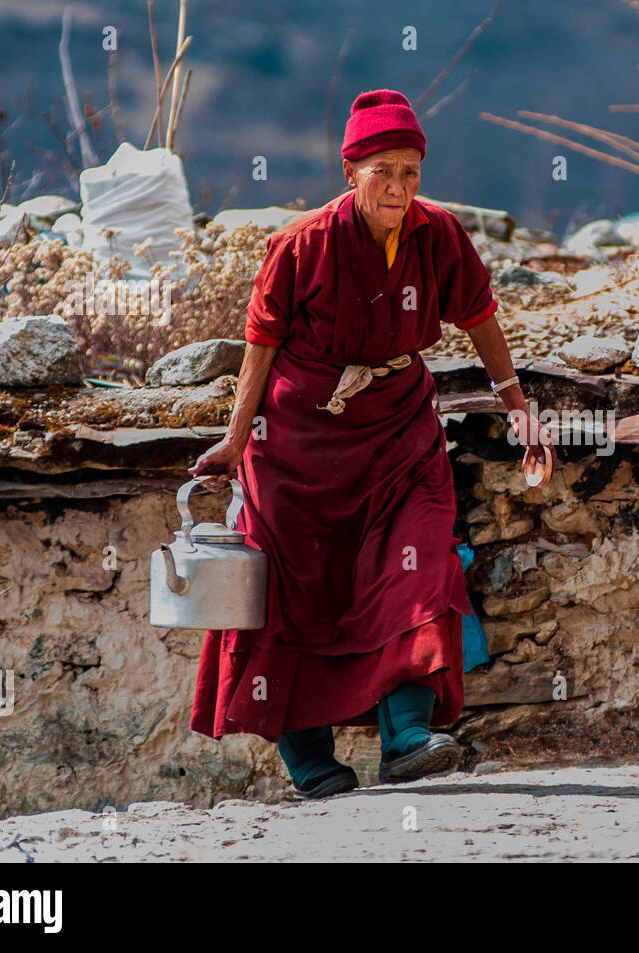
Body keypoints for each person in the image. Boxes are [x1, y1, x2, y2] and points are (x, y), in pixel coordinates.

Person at [186, 88, 553, 799]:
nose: (398, 186)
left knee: (418, 565)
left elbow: (479, 317)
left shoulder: (437, 233)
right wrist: (236, 441)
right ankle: (312, 763)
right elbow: (260, 344)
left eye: (411, 171)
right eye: (383, 169)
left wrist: (520, 409)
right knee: (293, 593)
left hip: (397, 432)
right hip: (297, 442)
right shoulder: (302, 244)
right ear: (351, 171)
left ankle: (408, 740)